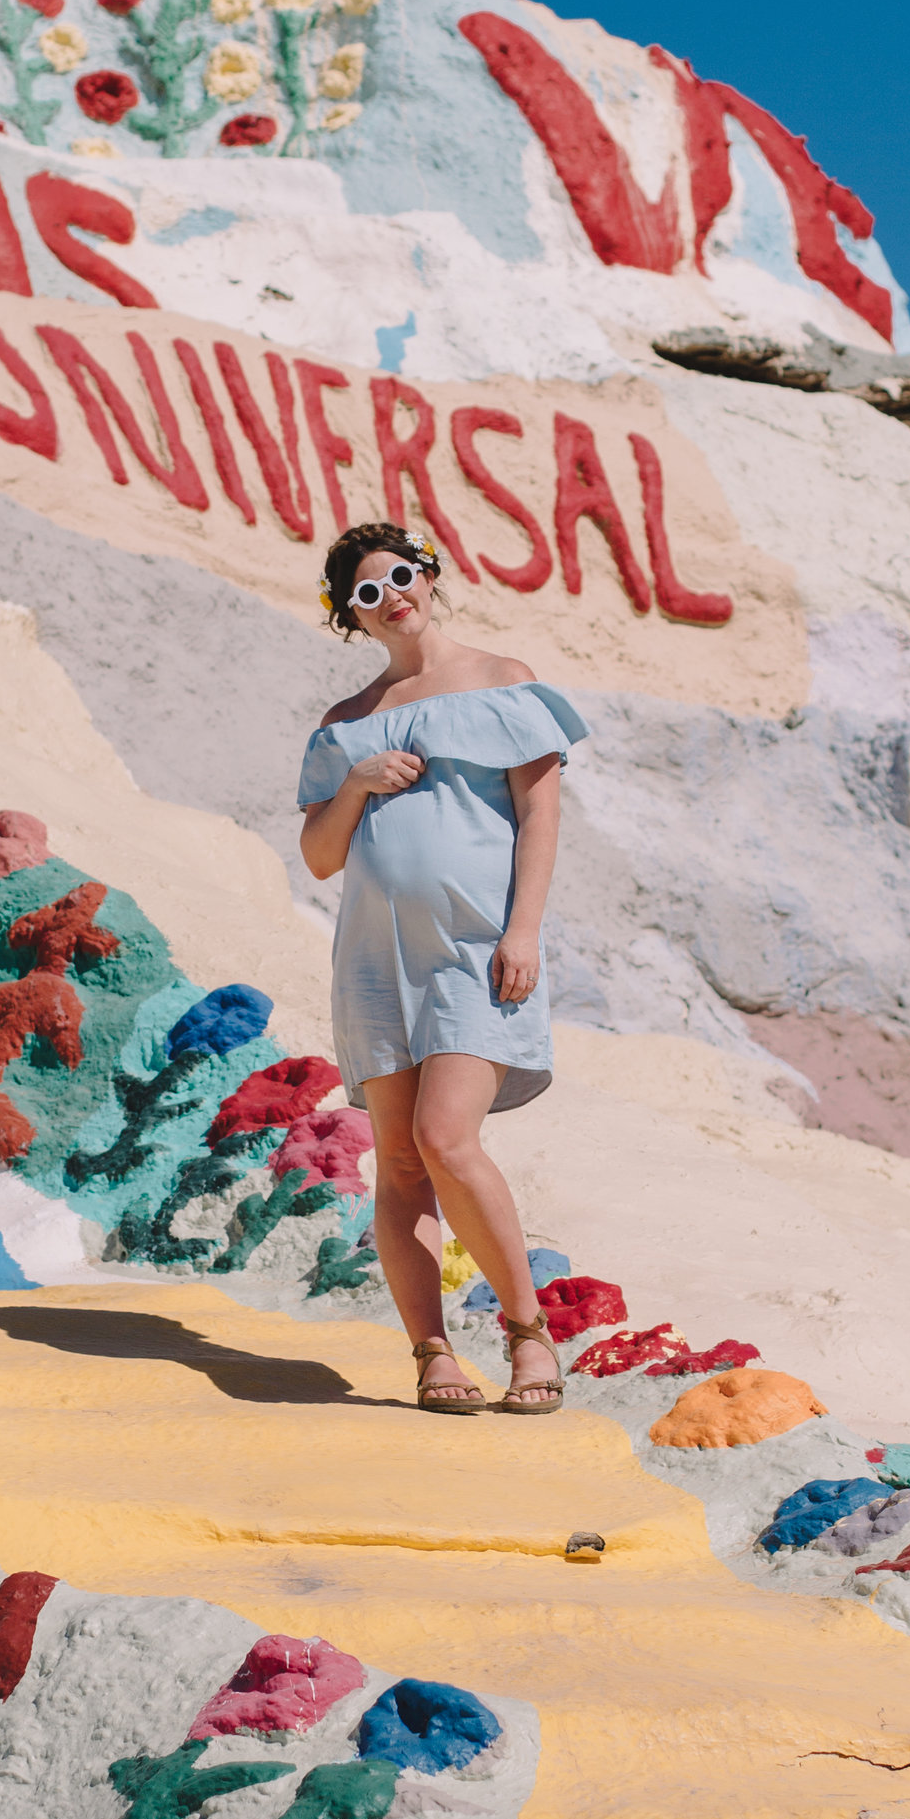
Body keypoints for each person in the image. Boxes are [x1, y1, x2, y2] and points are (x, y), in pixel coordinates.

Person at [296, 521, 588, 1414]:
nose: (391, 600)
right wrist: (356, 785)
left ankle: (527, 1334)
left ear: (429, 575)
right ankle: (432, 1356)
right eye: (366, 595)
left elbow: (540, 816)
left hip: (475, 948)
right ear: (350, 616)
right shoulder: (346, 724)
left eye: (399, 578)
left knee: (447, 1137)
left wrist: (524, 931)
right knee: (400, 1162)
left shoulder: (505, 681)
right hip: (375, 963)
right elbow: (318, 857)